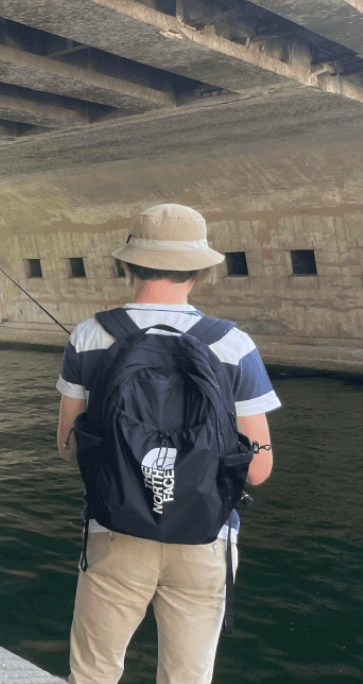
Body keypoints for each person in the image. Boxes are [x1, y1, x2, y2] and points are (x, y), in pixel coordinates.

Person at [56, 204, 280, 684]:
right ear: (201, 270)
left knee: (93, 674)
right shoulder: (233, 344)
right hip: (207, 536)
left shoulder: (90, 335)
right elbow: (256, 470)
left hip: (115, 530)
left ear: (126, 264)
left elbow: (70, 446)